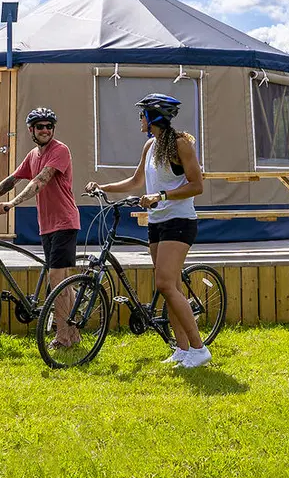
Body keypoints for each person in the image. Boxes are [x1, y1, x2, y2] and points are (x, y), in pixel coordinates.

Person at [88, 92, 209, 368]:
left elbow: (197, 185)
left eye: (142, 114)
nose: (139, 119)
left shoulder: (181, 144)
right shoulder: (151, 146)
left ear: (154, 116)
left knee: (165, 283)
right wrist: (102, 187)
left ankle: (199, 349)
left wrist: (161, 196)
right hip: (157, 223)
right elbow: (136, 181)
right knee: (172, 288)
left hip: (179, 221)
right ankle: (182, 349)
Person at [0, 106, 81, 347]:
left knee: (56, 278)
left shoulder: (60, 150)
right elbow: (12, 180)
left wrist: (13, 203)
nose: (45, 130)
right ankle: (73, 334)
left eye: (49, 126)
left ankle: (62, 338)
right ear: (31, 129)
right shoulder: (33, 155)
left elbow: (41, 181)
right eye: (40, 126)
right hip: (47, 224)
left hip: (64, 221)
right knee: (62, 279)